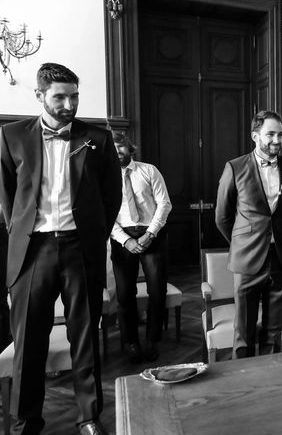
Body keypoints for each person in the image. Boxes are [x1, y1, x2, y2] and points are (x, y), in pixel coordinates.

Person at [0, 63, 122, 435]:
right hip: (33, 251)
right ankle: (26, 421)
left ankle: (88, 416)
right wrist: (22, 235)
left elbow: (111, 196)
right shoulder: (11, 136)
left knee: (84, 336)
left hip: (79, 247)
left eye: (74, 96)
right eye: (59, 97)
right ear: (39, 96)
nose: (69, 104)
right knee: (29, 341)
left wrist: (94, 235)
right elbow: (8, 200)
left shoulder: (98, 139)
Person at [215, 110, 282, 358]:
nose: (277, 140)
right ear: (255, 136)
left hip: (281, 259)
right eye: (270, 134)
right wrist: (243, 242)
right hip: (247, 259)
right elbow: (222, 216)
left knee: (274, 334)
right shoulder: (235, 167)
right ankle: (241, 382)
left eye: (281, 134)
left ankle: (270, 386)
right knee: (243, 333)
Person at [110, 133, 172, 364]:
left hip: (152, 234)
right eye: (113, 148)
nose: (117, 151)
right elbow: (104, 213)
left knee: (157, 292)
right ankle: (130, 343)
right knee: (125, 294)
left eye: (121, 147)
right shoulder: (104, 177)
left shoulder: (149, 170)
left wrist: (150, 234)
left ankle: (152, 341)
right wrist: (125, 240)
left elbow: (164, 203)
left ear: (130, 148)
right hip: (122, 238)